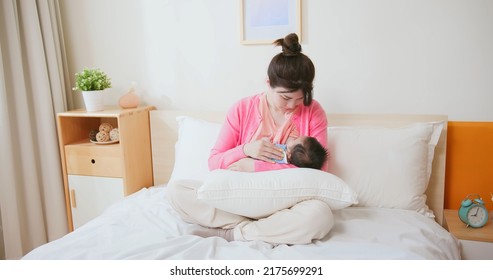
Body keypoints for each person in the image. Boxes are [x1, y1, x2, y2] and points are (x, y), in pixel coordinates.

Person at [167, 33, 333, 245]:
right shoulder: (241, 109)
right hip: (239, 201)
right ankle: (266, 229)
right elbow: (214, 162)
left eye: (300, 99)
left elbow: (319, 173)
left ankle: (234, 232)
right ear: (268, 83)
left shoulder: (314, 112)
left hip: (288, 204)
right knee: (177, 192)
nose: (292, 105)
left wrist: (254, 168)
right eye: (285, 97)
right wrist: (246, 150)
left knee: (320, 216)